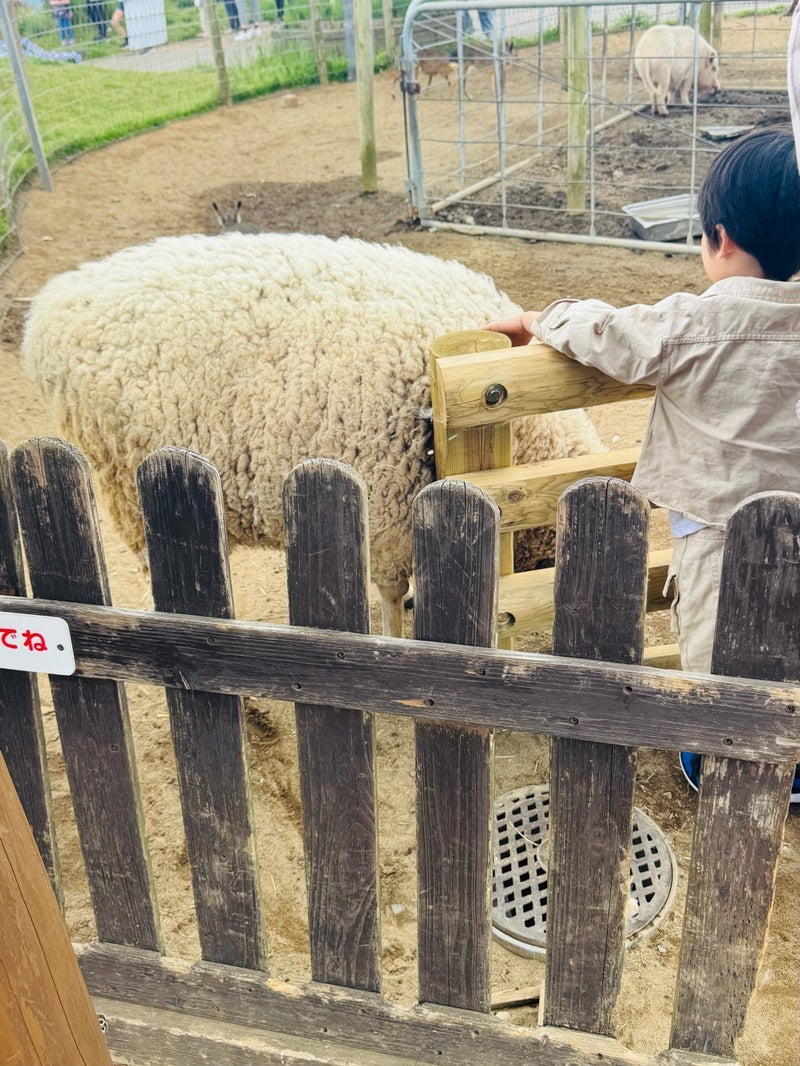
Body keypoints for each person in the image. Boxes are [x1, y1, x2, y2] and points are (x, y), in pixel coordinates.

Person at [484, 125, 800, 803]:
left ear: (718, 239)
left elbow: (609, 335)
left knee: (718, 643)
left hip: (717, 530)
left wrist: (545, 315)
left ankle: (718, 759)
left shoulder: (691, 323)